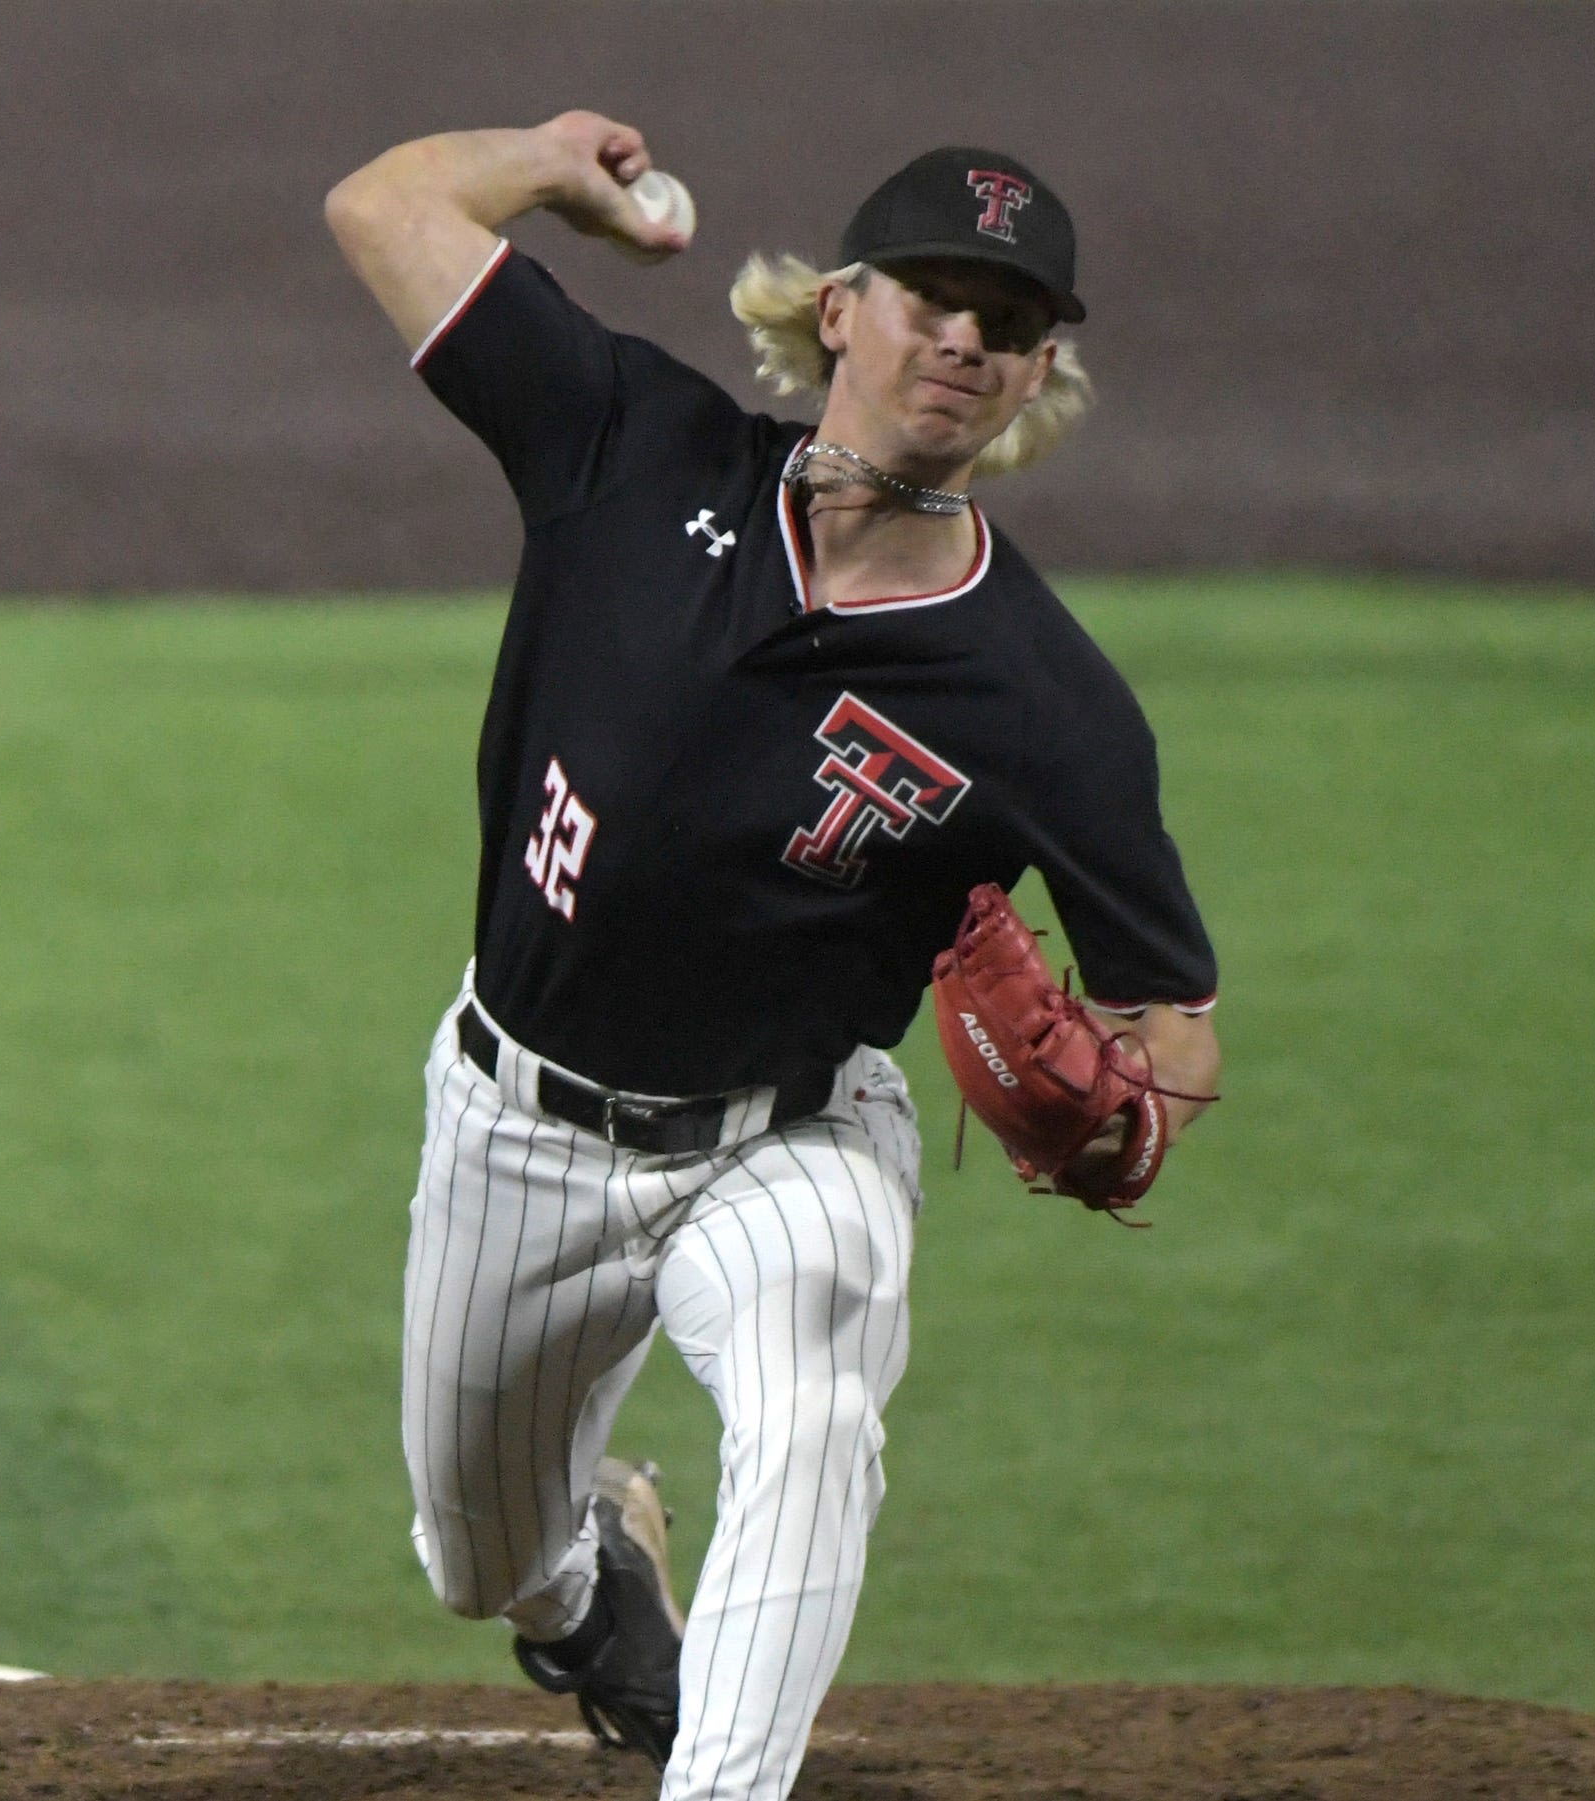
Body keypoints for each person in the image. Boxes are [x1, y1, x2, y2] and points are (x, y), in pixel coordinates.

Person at [322, 114, 1224, 1800]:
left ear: (1033, 379)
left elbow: (1174, 1015)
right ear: (840, 313)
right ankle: (591, 1587)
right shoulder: (629, 444)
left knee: (813, 1404)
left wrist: (1137, 1112)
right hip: (517, 1125)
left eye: (1008, 323)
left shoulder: (1047, 703)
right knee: (478, 1558)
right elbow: (383, 207)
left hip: (790, 1137)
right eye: (933, 297)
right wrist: (542, 163)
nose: (964, 339)